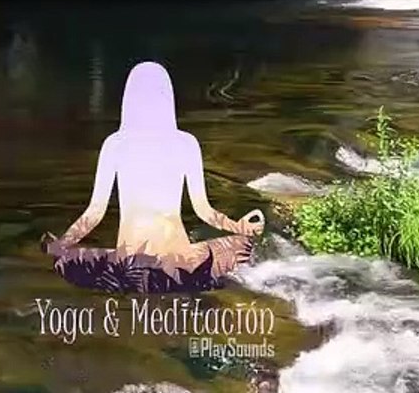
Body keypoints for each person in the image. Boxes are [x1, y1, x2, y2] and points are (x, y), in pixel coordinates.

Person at [42, 61, 263, 292]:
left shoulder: (114, 144)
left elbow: (95, 213)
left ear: (129, 101)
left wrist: (62, 244)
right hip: (180, 267)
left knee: (68, 259)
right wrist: (238, 227)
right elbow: (203, 211)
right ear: (167, 100)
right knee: (242, 245)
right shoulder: (186, 143)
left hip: (129, 267)